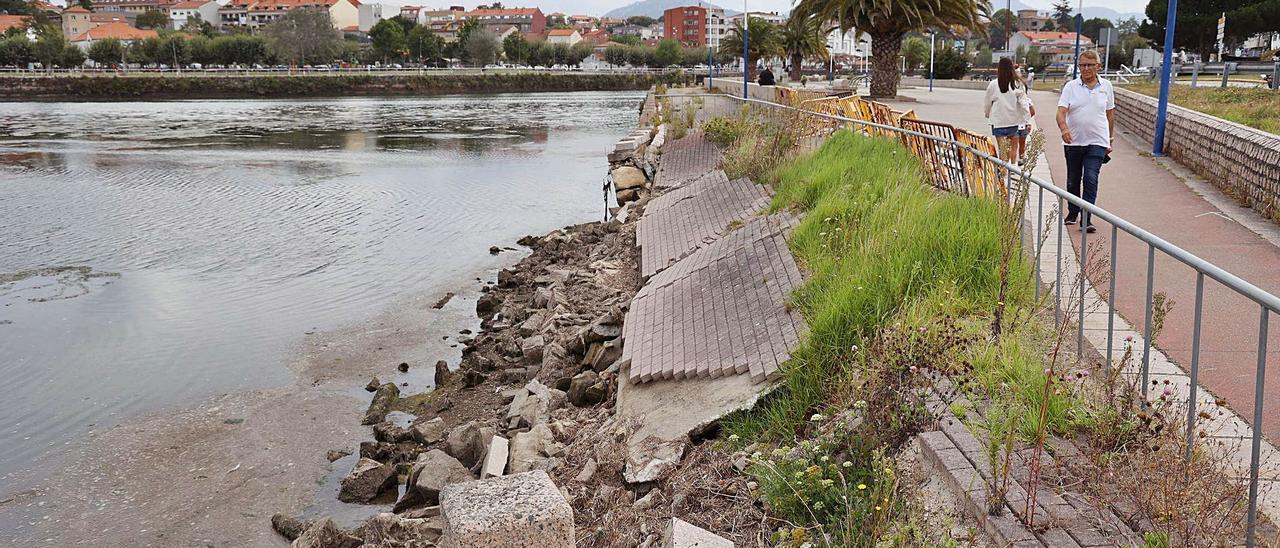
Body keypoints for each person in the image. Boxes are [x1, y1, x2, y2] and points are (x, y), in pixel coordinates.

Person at [1056, 49, 1115, 234]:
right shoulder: (1071, 87)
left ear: (1098, 66)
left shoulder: (1106, 86)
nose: (1086, 68)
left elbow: (1110, 114)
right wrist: (1064, 128)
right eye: (1082, 65)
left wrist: (1110, 138)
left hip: (1097, 142)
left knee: (1090, 178)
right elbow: (1061, 111)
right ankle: (1073, 211)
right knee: (1073, 180)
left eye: (1090, 65)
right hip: (1073, 142)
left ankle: (1087, 217)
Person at [984, 58, 1035, 164]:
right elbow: (1024, 104)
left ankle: (1004, 173)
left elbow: (987, 102)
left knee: (1003, 152)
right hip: (1013, 122)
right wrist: (1027, 121)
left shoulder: (993, 84)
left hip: (998, 122)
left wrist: (987, 114)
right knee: (1013, 148)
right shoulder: (1018, 84)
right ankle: (1012, 170)